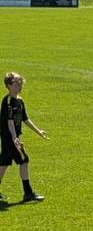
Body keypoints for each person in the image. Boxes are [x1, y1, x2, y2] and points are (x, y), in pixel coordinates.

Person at [0, 72, 46, 203]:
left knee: (4, 163)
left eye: (20, 83)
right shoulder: (8, 101)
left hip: (12, 139)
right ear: (9, 85)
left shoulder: (20, 101)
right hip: (9, 138)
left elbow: (25, 119)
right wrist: (15, 138)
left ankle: (28, 193)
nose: (19, 85)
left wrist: (38, 131)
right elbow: (9, 121)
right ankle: (28, 193)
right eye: (16, 83)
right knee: (24, 161)